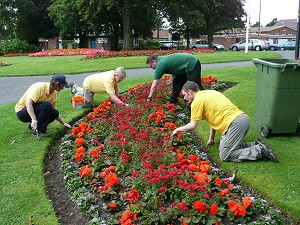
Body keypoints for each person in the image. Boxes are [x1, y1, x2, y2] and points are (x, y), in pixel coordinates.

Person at [171, 81, 279, 163]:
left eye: (184, 95)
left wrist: (177, 129)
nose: (184, 98)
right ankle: (255, 144)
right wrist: (211, 138)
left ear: (190, 92)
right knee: (226, 147)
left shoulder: (197, 101)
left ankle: (260, 151)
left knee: (225, 154)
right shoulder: (209, 93)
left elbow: (192, 125)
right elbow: (212, 119)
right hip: (242, 120)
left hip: (235, 123)